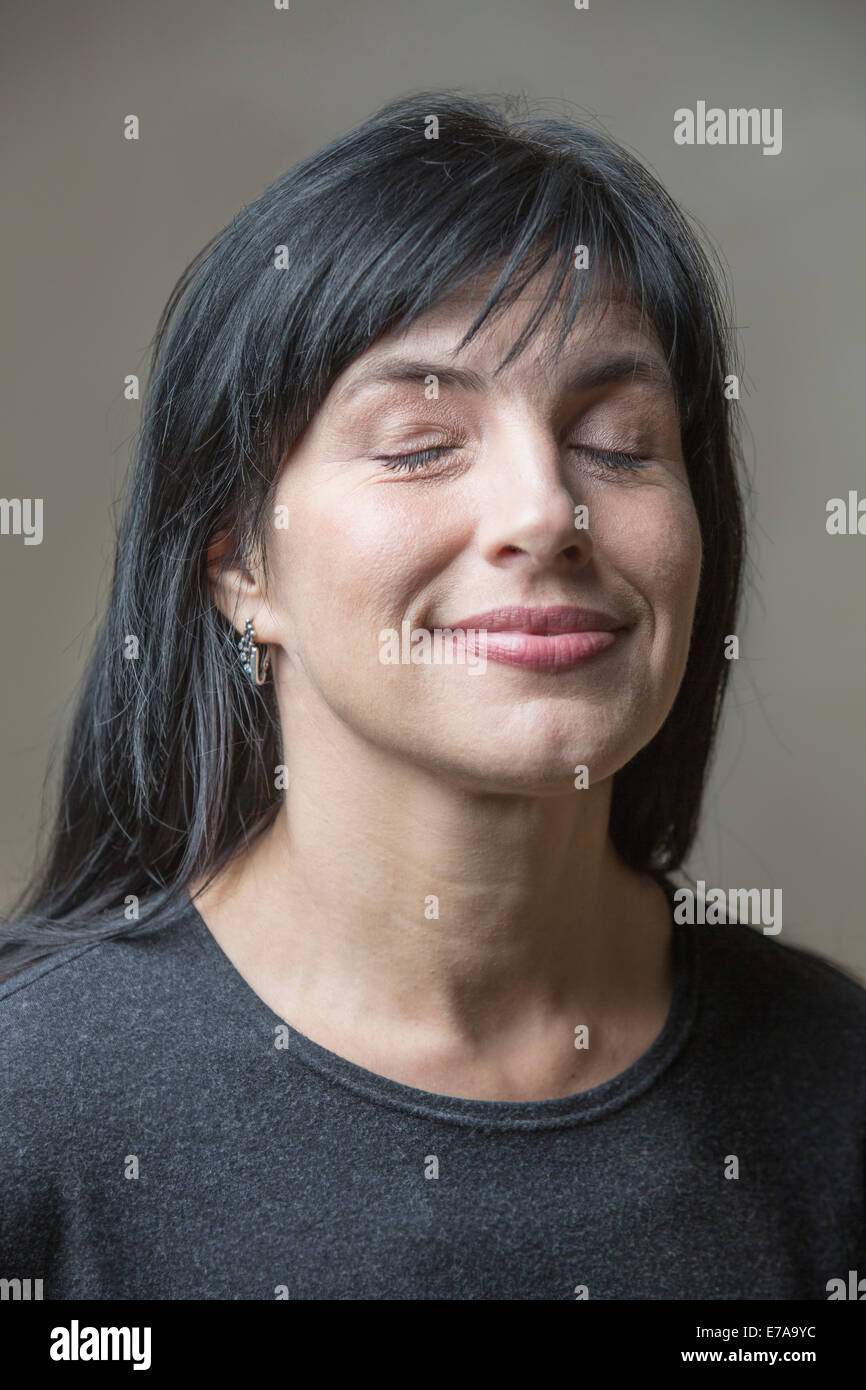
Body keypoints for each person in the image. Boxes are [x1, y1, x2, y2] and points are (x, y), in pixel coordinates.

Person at [1, 91, 864, 1301]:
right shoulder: (30, 1113)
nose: (542, 514)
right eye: (417, 442)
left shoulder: (833, 1089)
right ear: (242, 563)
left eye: (619, 441)